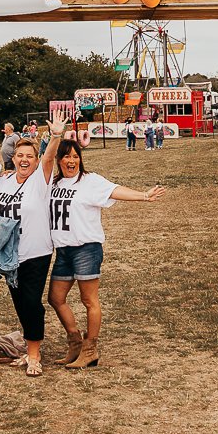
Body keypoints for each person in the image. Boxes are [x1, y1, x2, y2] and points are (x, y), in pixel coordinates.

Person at [47, 138, 166, 369]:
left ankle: (90, 349)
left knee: (88, 300)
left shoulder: (89, 181)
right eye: (67, 156)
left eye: (75, 156)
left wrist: (143, 195)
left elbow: (115, 190)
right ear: (59, 160)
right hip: (63, 251)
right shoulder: (54, 184)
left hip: (86, 249)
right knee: (55, 298)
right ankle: (75, 342)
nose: (72, 160)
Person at [0, 116, 67, 377]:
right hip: (9, 255)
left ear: (35, 160)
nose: (24, 159)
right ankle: (28, 346)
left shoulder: (39, 181)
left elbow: (48, 159)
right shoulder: (5, 181)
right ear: (13, 157)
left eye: (29, 156)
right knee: (20, 302)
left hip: (36, 252)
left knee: (32, 302)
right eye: (19, 155)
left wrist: (55, 136)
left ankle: (34, 355)